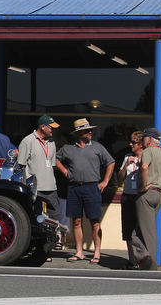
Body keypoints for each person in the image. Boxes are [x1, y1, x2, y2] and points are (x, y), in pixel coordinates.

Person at [55, 118, 115, 264]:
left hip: (92, 187)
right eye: (87, 130)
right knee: (76, 221)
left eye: (90, 130)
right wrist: (64, 171)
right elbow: (55, 159)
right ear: (79, 133)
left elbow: (111, 162)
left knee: (95, 222)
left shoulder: (97, 147)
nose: (90, 132)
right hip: (74, 187)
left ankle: (97, 252)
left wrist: (105, 181)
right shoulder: (68, 149)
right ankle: (79, 252)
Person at [17, 114, 65, 261]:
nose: (53, 131)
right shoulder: (28, 141)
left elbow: (50, 164)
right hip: (34, 188)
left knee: (52, 221)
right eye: (51, 128)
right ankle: (35, 251)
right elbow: (21, 165)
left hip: (51, 186)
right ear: (42, 127)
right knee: (36, 221)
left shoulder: (51, 142)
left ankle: (47, 251)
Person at [131, 127, 161, 270]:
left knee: (147, 232)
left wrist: (143, 186)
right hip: (159, 194)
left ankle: (151, 264)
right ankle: (144, 259)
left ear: (149, 139)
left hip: (147, 194)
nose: (142, 141)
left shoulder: (148, 151)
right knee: (137, 232)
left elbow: (143, 167)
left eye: (143, 138)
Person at [117, 130, 144, 269]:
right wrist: (126, 165)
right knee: (128, 228)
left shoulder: (146, 157)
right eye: (131, 141)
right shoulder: (128, 157)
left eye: (134, 142)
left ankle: (142, 258)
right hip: (128, 195)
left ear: (140, 144)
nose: (131, 144)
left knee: (139, 228)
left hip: (140, 195)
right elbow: (120, 177)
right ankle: (132, 259)